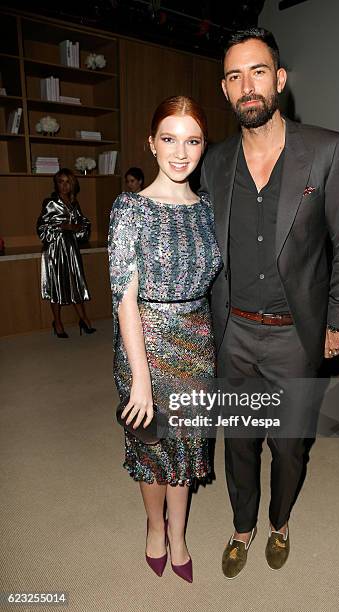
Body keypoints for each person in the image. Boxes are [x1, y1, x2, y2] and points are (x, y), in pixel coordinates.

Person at [200, 27, 339, 578]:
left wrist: (337, 321)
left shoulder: (325, 149)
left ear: (281, 79)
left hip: (296, 336)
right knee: (239, 444)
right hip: (235, 335)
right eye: (234, 76)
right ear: (225, 90)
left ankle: (279, 521)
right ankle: (242, 527)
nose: (247, 86)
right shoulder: (215, 162)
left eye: (258, 71)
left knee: (290, 447)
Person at [108, 96, 222, 583]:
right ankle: (155, 528)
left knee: (186, 450)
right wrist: (140, 380)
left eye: (192, 140)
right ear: (151, 144)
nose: (181, 152)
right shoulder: (129, 209)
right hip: (145, 347)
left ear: (202, 147)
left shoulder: (208, 209)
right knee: (153, 449)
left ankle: (179, 534)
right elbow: (125, 299)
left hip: (197, 345)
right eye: (169, 139)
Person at [37, 168, 96, 338]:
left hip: (70, 249)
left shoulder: (74, 203)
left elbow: (82, 226)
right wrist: (62, 227)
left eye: (67, 182)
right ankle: (58, 322)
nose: (64, 185)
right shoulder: (50, 203)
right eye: (60, 182)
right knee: (57, 286)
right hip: (54, 250)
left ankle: (83, 318)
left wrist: (76, 227)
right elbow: (42, 228)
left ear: (72, 184)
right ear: (56, 184)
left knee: (76, 283)